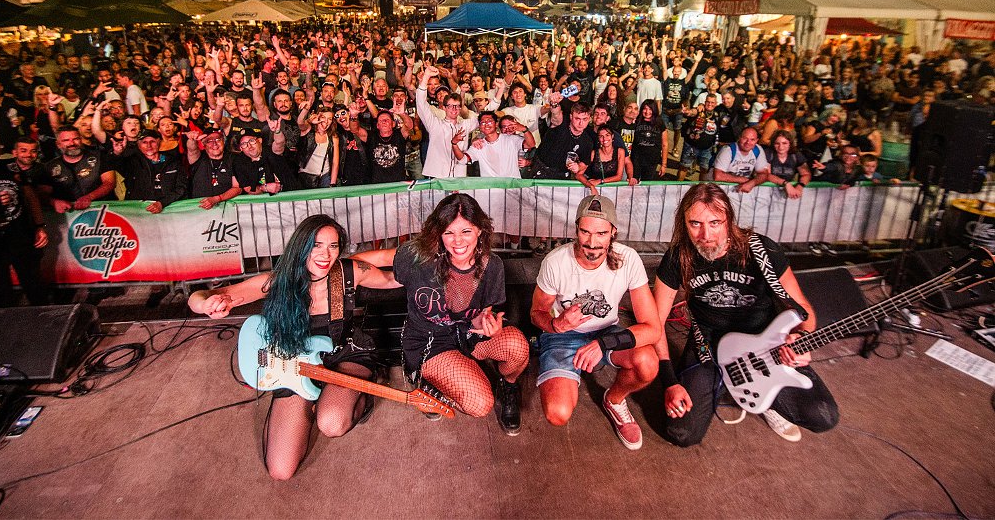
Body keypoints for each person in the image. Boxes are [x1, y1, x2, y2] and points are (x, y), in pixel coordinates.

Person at [188, 214, 397, 479]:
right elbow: (202, 296)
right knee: (280, 470)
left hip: (343, 352)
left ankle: (359, 397)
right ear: (301, 245)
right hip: (295, 364)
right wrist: (204, 305)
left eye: (333, 246)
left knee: (332, 422)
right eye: (317, 245)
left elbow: (392, 279)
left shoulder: (347, 272)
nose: (326, 254)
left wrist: (432, 268)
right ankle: (313, 398)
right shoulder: (278, 282)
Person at [652, 183, 838, 446]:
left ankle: (767, 399)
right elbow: (655, 324)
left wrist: (800, 339)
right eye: (695, 224)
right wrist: (669, 382)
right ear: (684, 223)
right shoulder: (677, 257)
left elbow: (803, 310)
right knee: (682, 433)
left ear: (729, 220)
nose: (705, 234)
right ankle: (723, 382)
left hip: (765, 345)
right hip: (709, 344)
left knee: (823, 416)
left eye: (715, 223)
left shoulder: (762, 250)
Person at [353, 193, 530, 435]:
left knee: (518, 347)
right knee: (481, 404)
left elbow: (484, 313)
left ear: (480, 230)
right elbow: (371, 260)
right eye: (449, 232)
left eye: (466, 231)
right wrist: (335, 270)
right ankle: (425, 382)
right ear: (439, 233)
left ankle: (508, 387)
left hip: (467, 335)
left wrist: (488, 324)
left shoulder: (492, 265)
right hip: (429, 342)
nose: (458, 241)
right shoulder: (419, 256)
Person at [529, 194, 661, 450]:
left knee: (647, 362)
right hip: (562, 336)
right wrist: (557, 325)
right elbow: (536, 313)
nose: (592, 242)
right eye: (585, 232)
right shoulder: (556, 262)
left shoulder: (628, 259)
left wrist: (604, 343)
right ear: (576, 229)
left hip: (606, 333)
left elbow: (653, 329)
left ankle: (614, 400)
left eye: (601, 233)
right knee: (557, 413)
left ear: (613, 232)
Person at [0, 132, 50, 307]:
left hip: (19, 233)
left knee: (33, 282)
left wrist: (39, 226)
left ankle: (44, 323)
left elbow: (30, 196)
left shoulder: (10, 167)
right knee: (0, 288)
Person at [712, 127, 770, 193]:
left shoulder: (758, 150)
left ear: (757, 141)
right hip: (723, 189)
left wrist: (752, 183)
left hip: (744, 189)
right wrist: (744, 180)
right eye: (745, 138)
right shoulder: (728, 150)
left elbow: (764, 174)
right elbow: (718, 176)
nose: (748, 142)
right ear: (739, 138)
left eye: (752, 139)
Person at [764, 130, 811, 199]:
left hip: (790, 191)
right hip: (768, 191)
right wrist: (786, 184)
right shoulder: (768, 154)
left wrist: (800, 187)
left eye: (784, 143)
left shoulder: (796, 155)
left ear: (790, 143)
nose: (781, 147)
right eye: (777, 143)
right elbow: (765, 175)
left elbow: (806, 174)